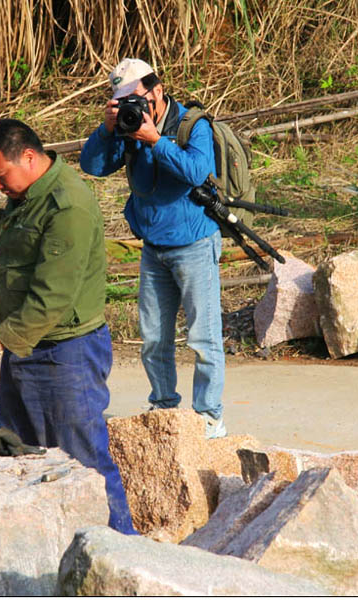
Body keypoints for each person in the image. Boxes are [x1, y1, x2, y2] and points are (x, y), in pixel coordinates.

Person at [0, 117, 137, 535]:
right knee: (17, 450)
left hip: (64, 353)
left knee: (82, 457)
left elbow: (54, 293)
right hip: (27, 348)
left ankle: (120, 545)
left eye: (1, 177)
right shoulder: (30, 194)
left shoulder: (66, 204)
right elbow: (20, 244)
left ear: (30, 157)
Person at [79, 58, 227, 439]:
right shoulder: (126, 128)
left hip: (195, 243)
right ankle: (163, 407)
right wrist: (108, 128)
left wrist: (155, 142)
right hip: (153, 247)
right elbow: (93, 166)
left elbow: (196, 171)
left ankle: (209, 416)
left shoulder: (194, 125)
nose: (132, 106)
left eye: (135, 98)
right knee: (154, 338)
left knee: (204, 338)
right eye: (121, 100)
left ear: (157, 91)